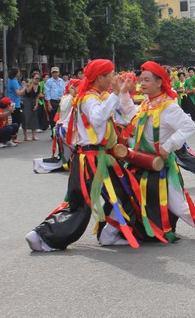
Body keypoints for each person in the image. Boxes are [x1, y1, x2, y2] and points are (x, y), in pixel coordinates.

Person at [25, 59, 142, 251]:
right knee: (81, 206)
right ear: (100, 78)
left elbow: (124, 116)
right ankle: (44, 235)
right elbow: (98, 119)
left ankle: (108, 234)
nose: (114, 78)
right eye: (111, 74)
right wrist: (115, 93)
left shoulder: (98, 96)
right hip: (91, 159)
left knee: (123, 193)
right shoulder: (88, 98)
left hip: (100, 157)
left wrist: (121, 93)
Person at [97, 61, 195, 247]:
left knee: (178, 206)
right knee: (127, 196)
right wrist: (124, 93)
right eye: (141, 80)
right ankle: (109, 234)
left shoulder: (168, 106)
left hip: (160, 165)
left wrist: (168, 146)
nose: (142, 83)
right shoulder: (147, 103)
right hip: (140, 162)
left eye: (147, 80)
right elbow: (130, 116)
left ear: (159, 82)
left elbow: (188, 125)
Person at [32, 79, 81, 173]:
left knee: (68, 154)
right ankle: (41, 164)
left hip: (69, 129)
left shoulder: (75, 97)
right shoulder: (67, 97)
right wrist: (71, 95)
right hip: (65, 130)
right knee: (69, 153)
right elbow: (64, 107)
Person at [22, 72, 42, 141]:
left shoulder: (39, 86)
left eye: (38, 78)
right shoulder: (29, 84)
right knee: (26, 117)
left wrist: (36, 104)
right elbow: (27, 91)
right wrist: (32, 84)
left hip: (33, 101)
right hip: (27, 101)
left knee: (34, 117)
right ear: (32, 79)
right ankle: (26, 136)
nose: (37, 80)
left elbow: (37, 96)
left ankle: (33, 135)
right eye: (36, 78)